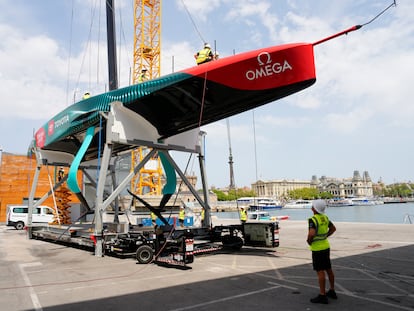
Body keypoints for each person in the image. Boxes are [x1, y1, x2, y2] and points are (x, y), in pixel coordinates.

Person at [307, 199, 337, 304]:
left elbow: (311, 233)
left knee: (320, 272)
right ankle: (332, 290)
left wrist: (309, 241)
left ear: (314, 209)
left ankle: (322, 295)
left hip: (317, 249)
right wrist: (325, 236)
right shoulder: (325, 217)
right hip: (325, 246)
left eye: (313, 206)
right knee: (329, 269)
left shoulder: (313, 220)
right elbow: (333, 228)